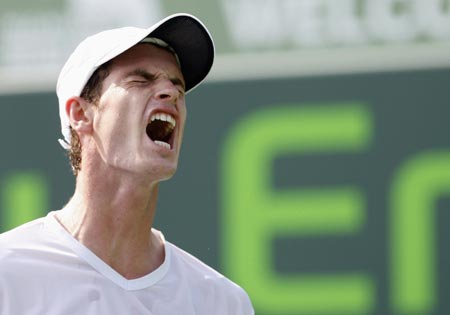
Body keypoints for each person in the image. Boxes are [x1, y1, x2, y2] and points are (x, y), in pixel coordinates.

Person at [0, 13, 254, 315]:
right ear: (80, 114)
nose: (171, 92)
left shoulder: (222, 303)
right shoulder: (7, 273)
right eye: (141, 79)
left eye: (178, 85)